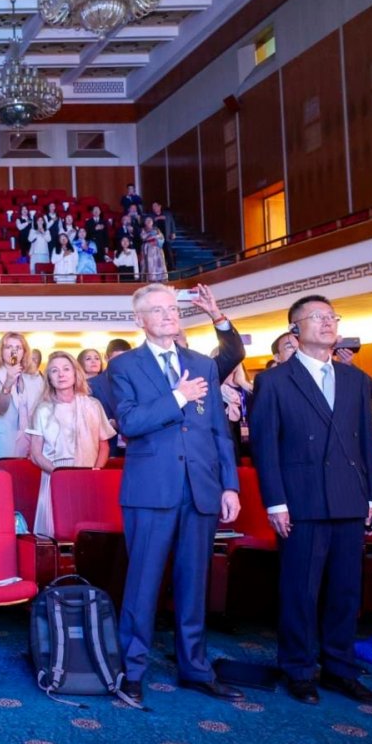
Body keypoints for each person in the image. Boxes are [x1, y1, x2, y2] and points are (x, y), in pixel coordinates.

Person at [109, 283, 242, 704]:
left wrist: (230, 485)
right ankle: (131, 669)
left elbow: (219, 431)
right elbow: (130, 423)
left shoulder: (201, 363)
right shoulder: (124, 366)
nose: (169, 315)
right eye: (158, 310)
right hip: (151, 490)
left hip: (201, 489)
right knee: (143, 583)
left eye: (172, 309)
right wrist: (178, 396)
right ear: (139, 320)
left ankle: (195, 668)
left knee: (194, 583)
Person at [250, 295, 372, 706]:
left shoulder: (355, 379)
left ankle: (340, 669)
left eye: (332, 317)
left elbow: (366, 442)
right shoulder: (274, 381)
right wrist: (275, 502)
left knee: (346, 591)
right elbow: (265, 446)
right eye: (317, 317)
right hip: (301, 501)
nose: (328, 323)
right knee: (300, 591)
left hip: (349, 497)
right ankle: (299, 668)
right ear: (294, 329)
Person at [27, 352, 114, 538]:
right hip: (54, 475)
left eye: (66, 369)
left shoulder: (93, 405)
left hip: (88, 474)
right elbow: (35, 453)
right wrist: (60, 475)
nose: (61, 374)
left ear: (75, 373)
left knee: (87, 532)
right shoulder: (42, 409)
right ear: (49, 378)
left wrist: (95, 472)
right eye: (54, 371)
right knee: (56, 532)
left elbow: (104, 445)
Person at [0, 332, 45, 466]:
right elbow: (0, 408)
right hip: (0, 447)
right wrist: (8, 382)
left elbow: (41, 411)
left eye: (18, 347)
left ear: (24, 352)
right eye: (9, 347)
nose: (13, 351)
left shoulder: (36, 378)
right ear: (1, 351)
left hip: (29, 447)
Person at [140, 215, 167, 282]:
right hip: (148, 249)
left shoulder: (156, 229)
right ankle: (150, 279)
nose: (149, 221)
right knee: (149, 264)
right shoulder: (143, 230)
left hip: (157, 248)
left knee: (159, 263)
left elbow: (161, 237)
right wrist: (154, 236)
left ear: (152, 222)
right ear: (144, 222)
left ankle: (161, 279)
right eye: (147, 220)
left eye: (150, 220)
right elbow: (143, 237)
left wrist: (157, 241)